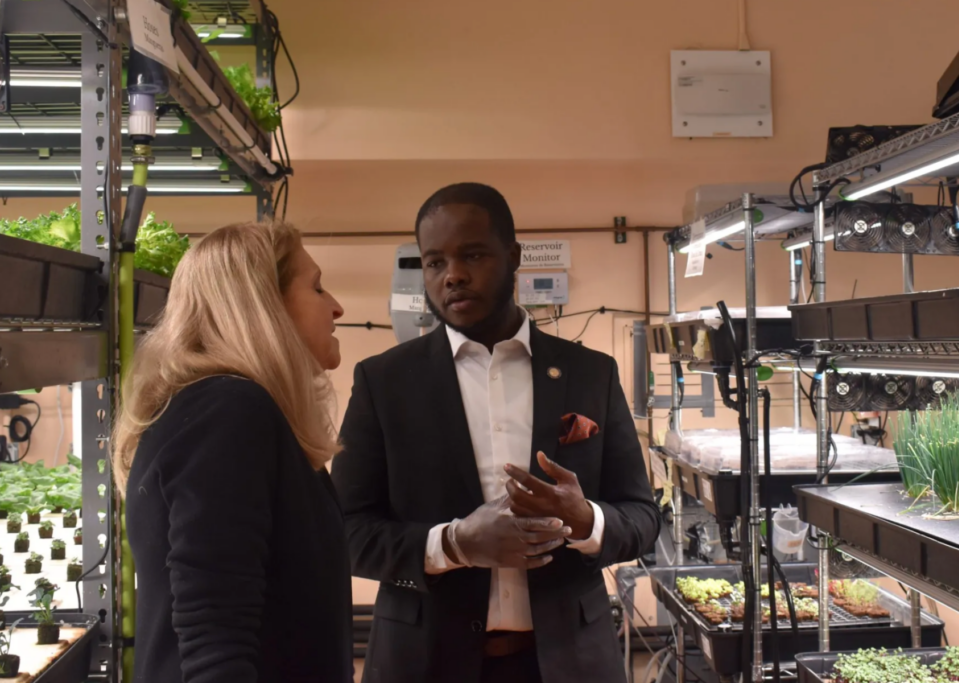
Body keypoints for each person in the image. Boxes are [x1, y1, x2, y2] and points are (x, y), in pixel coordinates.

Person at [333, 183, 660, 683]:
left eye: (473, 255)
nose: (453, 276)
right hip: (424, 661)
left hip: (569, 661)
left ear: (513, 257)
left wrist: (586, 520)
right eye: (435, 262)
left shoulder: (589, 373)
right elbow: (347, 531)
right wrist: (454, 544)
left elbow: (641, 516)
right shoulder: (384, 381)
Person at [113, 220, 354, 683]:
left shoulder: (231, 410)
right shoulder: (227, 412)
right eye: (318, 288)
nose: (338, 307)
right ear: (262, 304)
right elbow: (214, 634)